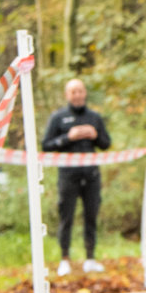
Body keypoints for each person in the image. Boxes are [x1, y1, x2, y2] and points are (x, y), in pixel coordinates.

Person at [41, 78, 112, 274]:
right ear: (67, 95)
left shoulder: (95, 117)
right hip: (67, 176)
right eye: (74, 92)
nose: (78, 95)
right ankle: (65, 259)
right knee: (66, 217)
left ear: (85, 93)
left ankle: (90, 258)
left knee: (91, 216)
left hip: (91, 175)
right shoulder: (58, 118)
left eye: (80, 91)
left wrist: (95, 135)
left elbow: (106, 144)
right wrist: (67, 138)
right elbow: (45, 145)